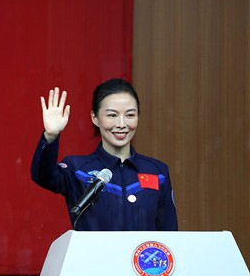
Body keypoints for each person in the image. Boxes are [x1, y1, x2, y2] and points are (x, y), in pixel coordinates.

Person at [31, 79, 177, 231]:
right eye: (112, 115)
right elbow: (43, 175)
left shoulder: (157, 172)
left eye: (130, 115)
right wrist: (50, 136)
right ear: (95, 118)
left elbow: (170, 234)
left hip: (141, 255)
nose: (122, 124)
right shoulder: (77, 170)